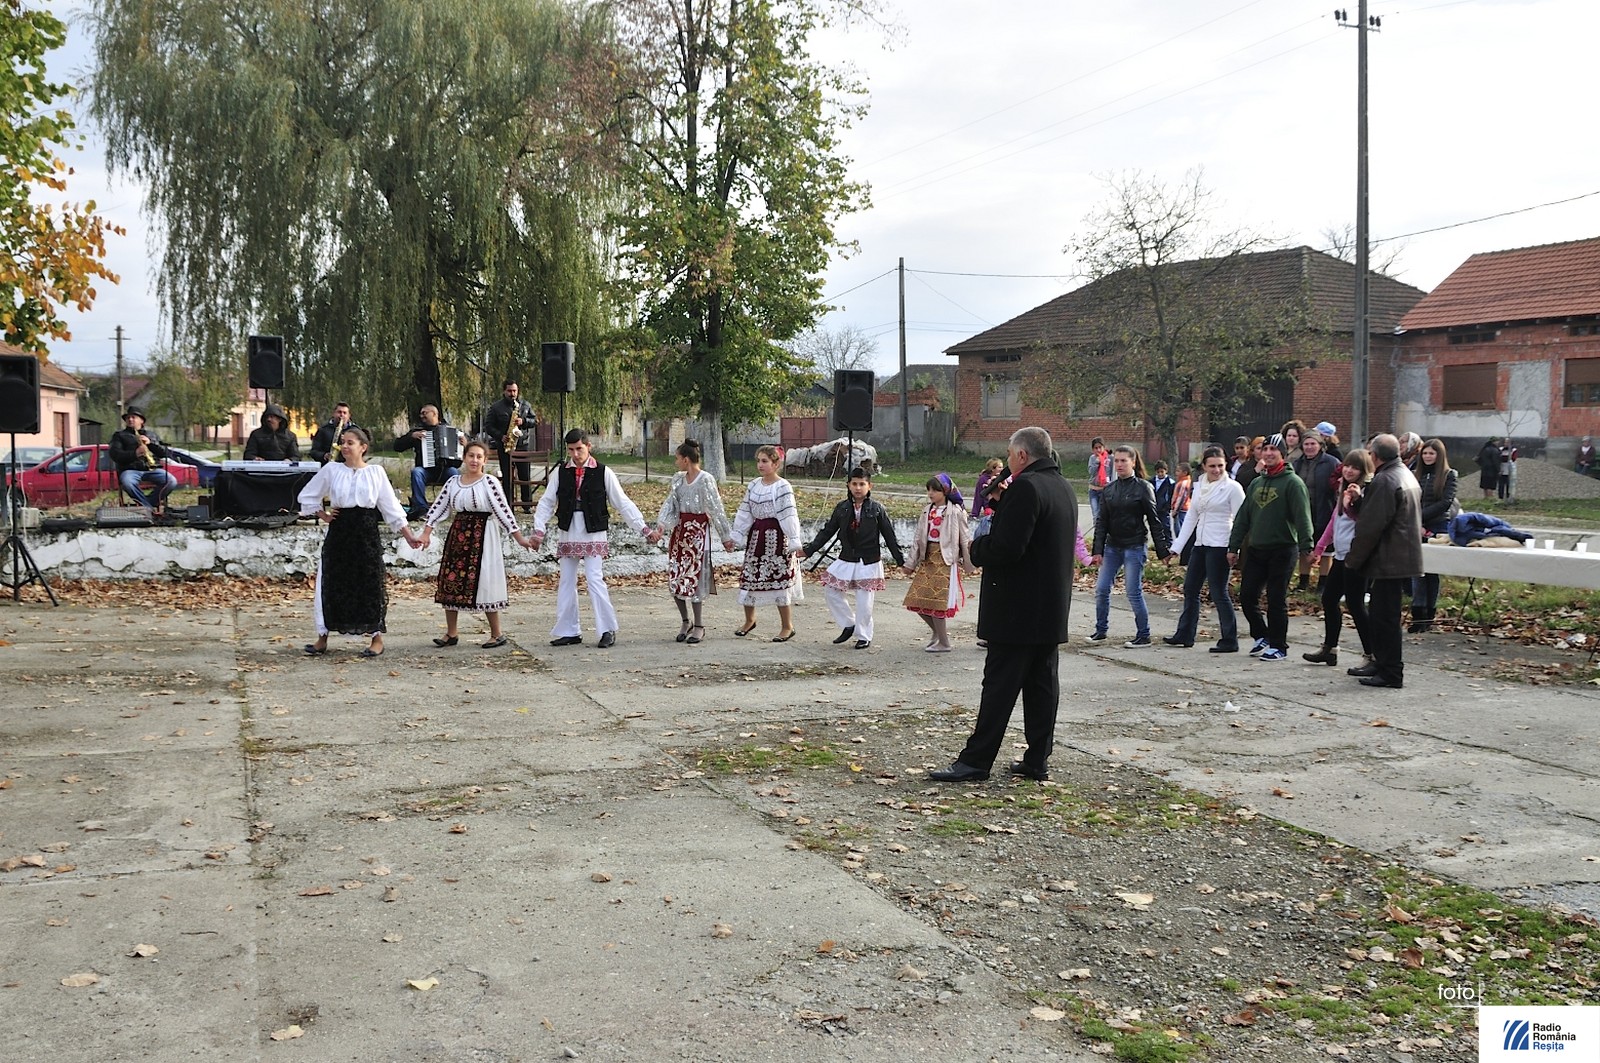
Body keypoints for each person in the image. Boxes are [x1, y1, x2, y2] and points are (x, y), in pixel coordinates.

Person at [929, 427, 1075, 783]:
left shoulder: (1027, 487)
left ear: (1022, 455)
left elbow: (1008, 547)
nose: (1008, 460)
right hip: (1049, 606)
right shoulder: (1062, 485)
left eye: (1010, 454)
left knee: (999, 687)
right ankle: (1037, 759)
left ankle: (975, 761)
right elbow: (1034, 535)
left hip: (1017, 609)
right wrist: (999, 505)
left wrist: (975, 549)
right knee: (1042, 686)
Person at [297, 427, 420, 658]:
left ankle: (376, 638)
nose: (344, 447)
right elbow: (308, 494)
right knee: (332, 580)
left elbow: (391, 507)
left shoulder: (375, 472)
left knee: (369, 582)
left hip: (366, 532)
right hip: (340, 531)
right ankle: (322, 637)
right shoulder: (332, 470)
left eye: (350, 443)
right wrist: (323, 515)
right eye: (343, 442)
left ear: (363, 447)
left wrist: (408, 535)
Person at [531, 428, 649, 649]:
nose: (575, 454)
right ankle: (569, 630)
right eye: (571, 450)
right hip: (568, 528)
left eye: (579, 449)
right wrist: (539, 529)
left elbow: (622, 502)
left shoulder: (603, 472)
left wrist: (642, 528)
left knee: (594, 579)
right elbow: (547, 502)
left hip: (593, 529)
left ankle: (607, 629)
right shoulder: (561, 472)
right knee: (567, 580)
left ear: (588, 446)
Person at [417, 440, 532, 649]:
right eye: (471, 456)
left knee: (485, 580)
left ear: (485, 460)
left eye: (479, 457)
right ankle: (451, 633)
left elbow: (503, 511)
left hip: (483, 533)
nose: (474, 460)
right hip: (459, 533)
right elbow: (438, 507)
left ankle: (497, 634)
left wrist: (519, 538)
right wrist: (426, 533)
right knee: (451, 579)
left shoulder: (489, 482)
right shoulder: (453, 482)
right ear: (464, 457)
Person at [1344, 433, 1423, 689]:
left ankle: (1390, 671)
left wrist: (1354, 559)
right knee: (1381, 615)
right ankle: (1381, 663)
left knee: (1385, 618)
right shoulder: (1403, 474)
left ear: (1375, 456)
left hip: (1389, 558)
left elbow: (1372, 525)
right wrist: (1360, 502)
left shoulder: (1385, 479)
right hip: (1399, 555)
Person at [1226, 433, 1313, 662]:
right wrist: (1233, 547)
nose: (1268, 453)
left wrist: (1307, 546)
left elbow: (1303, 517)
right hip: (1257, 549)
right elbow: (1243, 518)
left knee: (1276, 599)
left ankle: (1278, 646)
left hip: (1283, 549)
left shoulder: (1293, 483)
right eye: (1265, 449)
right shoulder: (1257, 482)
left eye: (1273, 450)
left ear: (1282, 454)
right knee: (1247, 596)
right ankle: (1261, 634)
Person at [803, 466, 905, 650]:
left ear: (869, 486)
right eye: (854, 484)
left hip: (869, 560)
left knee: (864, 601)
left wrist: (901, 561)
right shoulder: (842, 508)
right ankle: (849, 624)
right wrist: (809, 550)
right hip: (847, 557)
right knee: (831, 590)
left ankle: (864, 635)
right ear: (848, 485)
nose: (858, 488)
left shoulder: (877, 509)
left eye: (862, 484)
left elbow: (890, 536)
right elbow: (827, 531)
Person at [651, 439, 737, 645]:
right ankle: (685, 621)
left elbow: (716, 508)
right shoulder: (678, 479)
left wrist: (725, 536)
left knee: (695, 578)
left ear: (686, 460)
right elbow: (670, 503)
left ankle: (699, 625)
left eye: (677, 458)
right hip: (680, 533)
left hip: (698, 534)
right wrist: (661, 525)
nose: (676, 462)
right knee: (676, 576)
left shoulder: (706, 479)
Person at [1088, 444, 1171, 648]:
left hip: (1134, 545)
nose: (1119, 464)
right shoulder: (1109, 489)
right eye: (1116, 461)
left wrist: (1162, 551)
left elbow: (1154, 521)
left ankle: (1144, 635)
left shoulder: (1143, 487)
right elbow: (1101, 522)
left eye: (1124, 461)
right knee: (1101, 589)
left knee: (1133, 591)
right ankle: (1101, 630)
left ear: (1133, 462)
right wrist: (1097, 551)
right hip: (1112, 546)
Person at [1164, 445, 1244, 652]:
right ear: (1204, 466)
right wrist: (1177, 547)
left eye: (1220, 466)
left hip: (1221, 545)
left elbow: (1241, 520)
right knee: (1190, 589)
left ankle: (1229, 640)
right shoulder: (1199, 485)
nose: (1217, 470)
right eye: (1212, 466)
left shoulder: (1233, 488)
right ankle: (1185, 634)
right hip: (1200, 544)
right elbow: (1191, 517)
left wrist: (1234, 549)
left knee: (1218, 593)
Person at [1304, 448, 1374, 668]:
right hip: (1341, 555)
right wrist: (1320, 547)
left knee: (1355, 604)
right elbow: (1335, 521)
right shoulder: (1343, 489)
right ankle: (1330, 649)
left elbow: (1362, 520)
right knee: (1329, 599)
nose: (1349, 471)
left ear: (1364, 471)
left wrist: (1353, 501)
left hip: (1357, 556)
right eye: (1347, 466)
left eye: (1355, 468)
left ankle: (1372, 654)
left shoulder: (1366, 492)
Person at [730, 444, 804, 642]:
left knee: (779, 580)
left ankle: (787, 626)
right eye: (758, 461)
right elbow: (745, 511)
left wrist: (794, 540)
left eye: (765, 461)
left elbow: (789, 513)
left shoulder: (783, 486)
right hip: (756, 537)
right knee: (750, 577)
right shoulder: (754, 485)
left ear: (775, 464)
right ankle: (750, 620)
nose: (760, 465)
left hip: (778, 538)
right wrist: (737, 535)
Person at [902, 472, 973, 653]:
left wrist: (969, 563)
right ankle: (937, 634)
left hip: (946, 561)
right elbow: (918, 538)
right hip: (928, 559)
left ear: (945, 491)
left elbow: (964, 538)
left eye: (935, 490)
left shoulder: (955, 512)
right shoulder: (927, 510)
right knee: (916, 599)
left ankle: (944, 642)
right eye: (929, 490)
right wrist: (910, 563)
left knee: (938, 603)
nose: (931, 493)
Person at [1409, 438, 1458, 633]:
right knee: (1417, 571)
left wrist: (1421, 518)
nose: (1428, 457)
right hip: (1416, 525)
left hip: (1438, 525)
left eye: (1431, 453)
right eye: (1425, 453)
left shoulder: (1449, 475)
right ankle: (1418, 614)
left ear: (1439, 455)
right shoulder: (1415, 474)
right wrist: (1416, 521)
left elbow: (1446, 502)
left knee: (1432, 571)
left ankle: (1429, 613)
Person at [394, 404, 461, 520]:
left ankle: (457, 506)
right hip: (426, 471)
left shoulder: (451, 430)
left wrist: (465, 443)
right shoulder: (418, 431)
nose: (421, 416)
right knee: (417, 472)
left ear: (434, 414)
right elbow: (397, 446)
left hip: (445, 470)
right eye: (421, 413)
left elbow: (468, 449)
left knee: (454, 473)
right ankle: (421, 509)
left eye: (424, 413)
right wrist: (411, 436)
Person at [109, 407, 178, 516]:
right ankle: (149, 508)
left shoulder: (152, 435)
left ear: (142, 420)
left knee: (171, 481)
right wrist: (135, 453)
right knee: (127, 482)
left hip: (151, 469)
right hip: (130, 470)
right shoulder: (119, 436)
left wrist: (151, 444)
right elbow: (115, 455)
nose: (130, 419)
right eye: (128, 418)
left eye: (133, 417)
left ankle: (147, 504)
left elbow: (165, 453)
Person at [1293, 430, 1340, 591]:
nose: (1309, 447)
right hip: (1304, 511)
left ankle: (1323, 583)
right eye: (1306, 444)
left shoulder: (1331, 462)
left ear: (1320, 445)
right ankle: (1303, 581)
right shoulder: (1297, 464)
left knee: (1326, 548)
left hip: (1324, 509)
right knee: (1305, 547)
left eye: (1313, 444)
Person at [483, 380, 536, 507]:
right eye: (509, 391)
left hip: (522, 445)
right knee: (507, 477)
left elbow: (534, 421)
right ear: (504, 391)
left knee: (525, 475)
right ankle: (508, 504)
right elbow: (488, 426)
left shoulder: (525, 405)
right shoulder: (496, 407)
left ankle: (527, 504)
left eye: (514, 391)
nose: (512, 394)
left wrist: (524, 421)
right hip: (505, 446)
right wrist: (500, 436)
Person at [1086, 437, 1111, 528]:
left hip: (1104, 490)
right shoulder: (1092, 458)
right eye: (1096, 448)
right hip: (1093, 490)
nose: (1098, 450)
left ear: (1104, 447)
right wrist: (1096, 462)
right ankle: (1097, 532)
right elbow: (1091, 472)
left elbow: (1111, 473)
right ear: (1093, 449)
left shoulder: (1109, 458)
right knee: (1096, 514)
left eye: (1100, 447)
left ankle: (1105, 532)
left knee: (1103, 514)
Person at [1149, 460, 1175, 542]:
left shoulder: (1170, 483)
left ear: (1166, 471)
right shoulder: (1151, 481)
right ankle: (1158, 542)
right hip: (1154, 507)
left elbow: (1171, 496)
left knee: (1165, 526)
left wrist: (1168, 506)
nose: (1160, 474)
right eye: (1158, 472)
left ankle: (1169, 542)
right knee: (1155, 527)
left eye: (1162, 472)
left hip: (1164, 508)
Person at [1169, 459, 1192, 535]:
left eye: (1178, 471)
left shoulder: (1183, 483)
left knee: (1179, 530)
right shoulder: (1182, 482)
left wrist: (1175, 510)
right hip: (1181, 509)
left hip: (1181, 510)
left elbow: (1181, 498)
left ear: (1185, 473)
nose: (1176, 473)